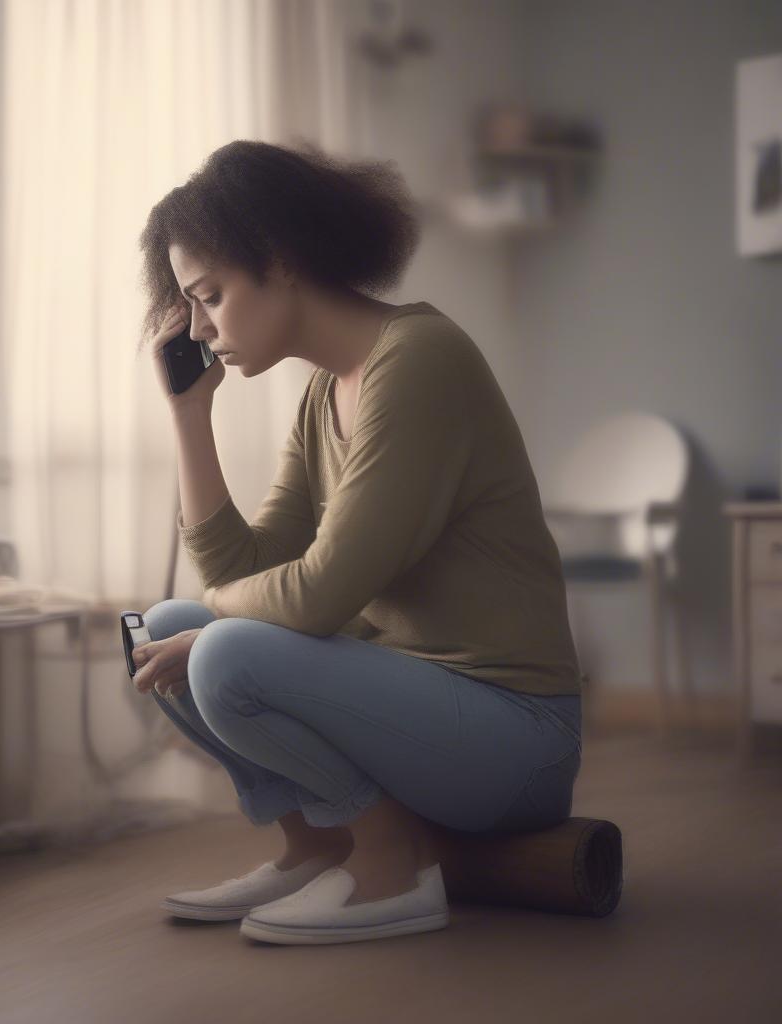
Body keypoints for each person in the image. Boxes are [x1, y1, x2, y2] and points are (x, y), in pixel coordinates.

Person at [129, 139, 583, 945]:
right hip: (422, 715)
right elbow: (242, 571)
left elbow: (315, 594)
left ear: (281, 259)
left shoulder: (418, 362)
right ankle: (316, 847)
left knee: (222, 650)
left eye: (210, 296)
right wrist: (190, 416)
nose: (199, 327)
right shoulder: (321, 396)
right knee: (171, 626)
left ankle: (391, 868)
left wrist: (222, 624)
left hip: (515, 740)